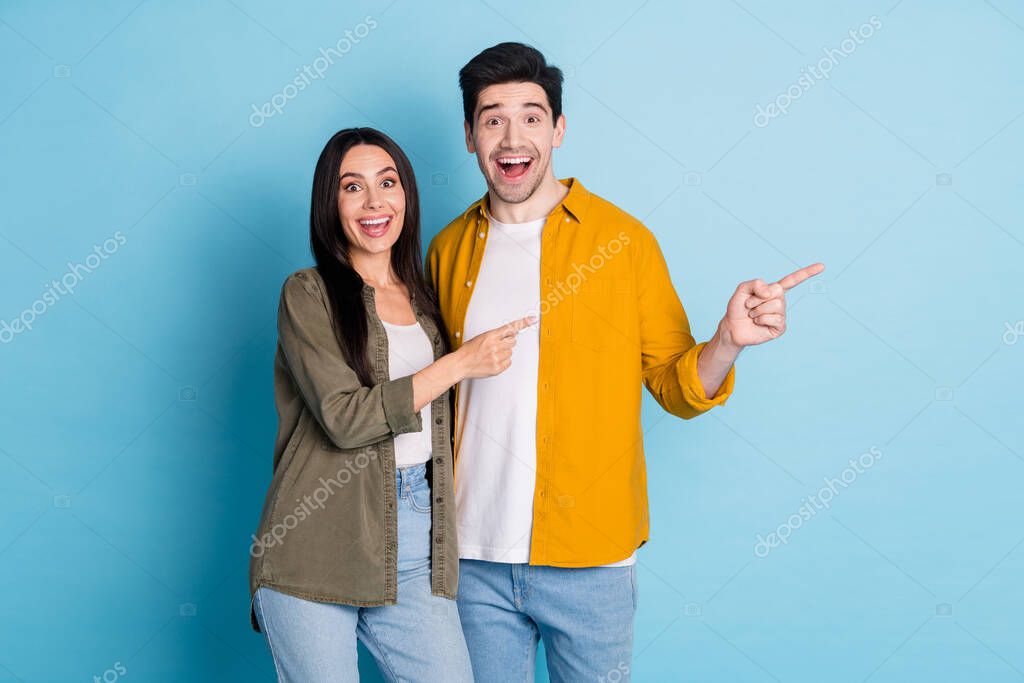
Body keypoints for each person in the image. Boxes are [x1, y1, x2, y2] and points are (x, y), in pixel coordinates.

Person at [426, 43, 825, 681]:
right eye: (491, 117)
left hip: (591, 560)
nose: (512, 135)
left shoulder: (623, 242)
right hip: (469, 557)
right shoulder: (447, 250)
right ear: (470, 135)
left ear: (558, 129)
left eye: (531, 116)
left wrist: (727, 339)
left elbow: (675, 384)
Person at [248, 126, 533, 682]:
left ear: (406, 196)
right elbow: (345, 419)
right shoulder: (307, 294)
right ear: (330, 204)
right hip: (316, 539)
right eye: (352, 187)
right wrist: (459, 363)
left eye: (388, 182)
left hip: (417, 533)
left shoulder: (427, 297)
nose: (375, 201)